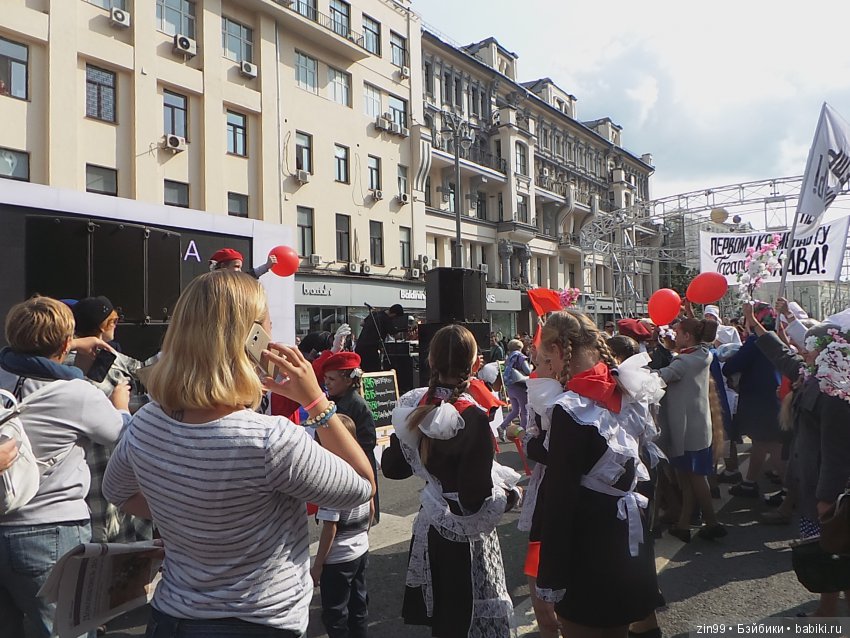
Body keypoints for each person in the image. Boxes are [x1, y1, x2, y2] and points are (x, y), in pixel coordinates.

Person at [102, 270, 375, 637]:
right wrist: (317, 401)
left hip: (171, 618)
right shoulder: (270, 440)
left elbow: (116, 491)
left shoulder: (146, 422)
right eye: (267, 327)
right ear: (250, 340)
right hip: (258, 622)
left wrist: (190, 519)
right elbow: (361, 485)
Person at [0, 296, 129, 638]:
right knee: (64, 632)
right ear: (66, 342)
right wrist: (121, 407)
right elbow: (122, 436)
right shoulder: (76, 393)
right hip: (50, 531)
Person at [381, 324, 520, 638]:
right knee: (467, 620)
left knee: (443, 620)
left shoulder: (413, 406)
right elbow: (474, 499)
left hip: (431, 530)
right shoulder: (473, 418)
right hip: (465, 539)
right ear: (474, 365)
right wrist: (513, 497)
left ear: (430, 362)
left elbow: (393, 468)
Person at [534, 310, 664, 638]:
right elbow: (647, 470)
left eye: (545, 359)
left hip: (588, 547)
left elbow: (559, 502)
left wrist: (549, 580)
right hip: (626, 538)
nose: (544, 367)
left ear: (559, 352)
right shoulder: (624, 389)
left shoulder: (571, 409)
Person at [747, 301, 850, 616]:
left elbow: (836, 452)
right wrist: (757, 328)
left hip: (826, 490)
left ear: (827, 351)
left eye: (809, 347)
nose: (802, 351)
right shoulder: (816, 375)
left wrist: (826, 498)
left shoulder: (835, 393)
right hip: (812, 482)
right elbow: (785, 358)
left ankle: (829, 613)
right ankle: (829, 607)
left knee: (836, 549)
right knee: (829, 551)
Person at [655, 318, 726, 542]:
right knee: (688, 478)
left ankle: (712, 522)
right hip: (698, 426)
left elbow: (657, 378)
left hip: (684, 429)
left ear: (687, 336)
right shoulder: (704, 354)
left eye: (677, 332)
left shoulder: (683, 362)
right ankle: (685, 524)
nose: (674, 336)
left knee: (692, 479)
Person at [312, 413, 372, 638]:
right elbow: (372, 508)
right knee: (359, 606)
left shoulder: (332, 477)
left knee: (335, 613)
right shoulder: (362, 468)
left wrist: (318, 565)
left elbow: (330, 528)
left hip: (338, 557)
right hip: (361, 547)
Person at [722, 302, 782, 498]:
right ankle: (749, 482)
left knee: (772, 445)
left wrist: (727, 360)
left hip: (759, 399)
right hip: (770, 396)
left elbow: (734, 365)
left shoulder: (757, 340)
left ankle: (792, 491)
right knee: (760, 442)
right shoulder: (776, 337)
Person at [354, 304, 404, 373]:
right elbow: (396, 336)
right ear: (394, 314)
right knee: (373, 371)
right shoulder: (387, 320)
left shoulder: (375, 313)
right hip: (370, 349)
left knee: (362, 371)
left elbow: (362, 323)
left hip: (360, 346)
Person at [502, 339, 531, 440]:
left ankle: (502, 426)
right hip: (520, 386)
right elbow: (528, 371)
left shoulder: (508, 358)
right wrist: (531, 366)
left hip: (510, 387)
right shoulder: (520, 357)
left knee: (515, 410)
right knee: (525, 411)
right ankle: (523, 433)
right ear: (520, 347)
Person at [209, 247, 276, 279]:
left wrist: (267, 266)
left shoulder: (238, 282)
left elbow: (250, 275)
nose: (240, 271)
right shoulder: (209, 284)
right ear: (223, 266)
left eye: (240, 267)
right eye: (236, 266)